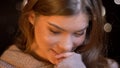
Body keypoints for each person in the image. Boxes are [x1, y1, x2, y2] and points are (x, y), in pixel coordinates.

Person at [0, 0, 119, 68]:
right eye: (54, 31)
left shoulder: (107, 66)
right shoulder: (6, 64)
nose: (66, 46)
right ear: (32, 18)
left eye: (79, 33)